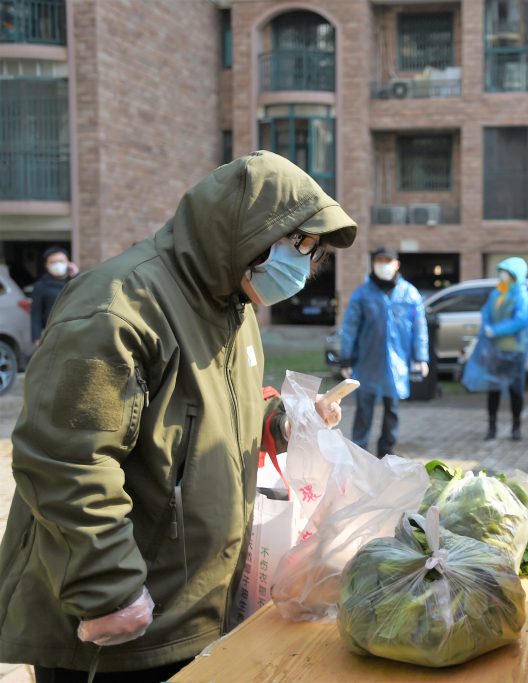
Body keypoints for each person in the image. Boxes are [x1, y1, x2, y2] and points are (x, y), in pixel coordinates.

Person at [0, 151, 357, 682]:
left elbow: (210, 410)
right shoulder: (119, 304)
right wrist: (110, 589)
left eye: (314, 252)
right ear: (248, 232)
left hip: (190, 609)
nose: (304, 267)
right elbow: (65, 459)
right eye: (298, 245)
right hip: (117, 626)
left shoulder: (232, 307)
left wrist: (282, 423)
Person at [337, 246, 428, 458]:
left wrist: (420, 357)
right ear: (373, 264)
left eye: (388, 261)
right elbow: (350, 328)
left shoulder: (409, 293)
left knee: (392, 409)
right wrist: (346, 359)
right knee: (364, 408)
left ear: (397, 264)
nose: (384, 265)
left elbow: (419, 327)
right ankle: (359, 451)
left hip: (397, 361)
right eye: (380, 261)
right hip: (367, 360)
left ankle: (387, 451)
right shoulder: (362, 294)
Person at [462, 257, 528, 441]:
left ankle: (516, 427)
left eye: (506, 272)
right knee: (493, 388)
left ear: (516, 275)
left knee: (515, 390)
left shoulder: (522, 296)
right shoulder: (498, 293)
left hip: (514, 350)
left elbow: (521, 321)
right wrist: (487, 327)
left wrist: (495, 330)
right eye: (502, 271)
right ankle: (492, 427)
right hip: (495, 349)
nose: (502, 275)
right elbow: (486, 312)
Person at [30, 246, 77, 347]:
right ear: (46, 265)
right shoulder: (41, 286)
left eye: (61, 261)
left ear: (68, 263)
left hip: (78, 331)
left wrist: (77, 275)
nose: (57, 265)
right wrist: (36, 338)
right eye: (52, 262)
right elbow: (36, 313)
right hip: (54, 333)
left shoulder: (76, 281)